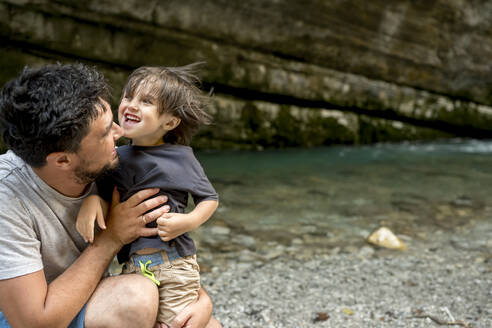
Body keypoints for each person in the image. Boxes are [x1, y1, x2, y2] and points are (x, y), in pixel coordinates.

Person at [0, 63, 220, 328]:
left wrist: (200, 299)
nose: (119, 132)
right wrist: (113, 236)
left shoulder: (108, 164)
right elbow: (32, 322)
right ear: (62, 161)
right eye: (106, 132)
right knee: (135, 298)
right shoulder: (7, 197)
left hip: (90, 295)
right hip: (27, 318)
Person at [75, 63, 219, 328]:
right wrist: (92, 201)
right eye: (128, 96)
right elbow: (108, 196)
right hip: (133, 267)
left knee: (178, 323)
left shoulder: (181, 158)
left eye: (146, 101)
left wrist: (187, 222)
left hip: (174, 264)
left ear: (170, 122)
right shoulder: (116, 158)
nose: (131, 105)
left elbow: (209, 199)